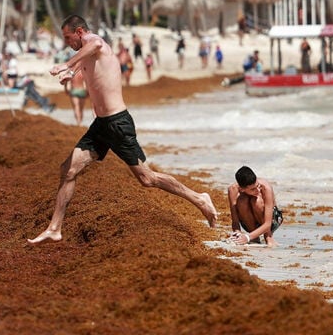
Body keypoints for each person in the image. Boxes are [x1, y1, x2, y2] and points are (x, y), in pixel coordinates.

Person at [28, 15, 218, 244]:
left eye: (68, 38)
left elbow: (95, 45)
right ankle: (54, 228)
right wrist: (72, 71)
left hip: (118, 123)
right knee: (68, 170)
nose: (67, 43)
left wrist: (66, 65)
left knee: (147, 178)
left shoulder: (95, 41)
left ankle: (199, 199)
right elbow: (87, 62)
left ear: (79, 32)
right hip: (101, 125)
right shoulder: (86, 53)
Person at [226, 166, 283, 245]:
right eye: (253, 189)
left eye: (257, 185)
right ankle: (255, 238)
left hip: (272, 220)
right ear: (242, 189)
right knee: (242, 200)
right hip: (249, 223)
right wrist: (237, 233)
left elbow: (268, 224)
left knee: (256, 201)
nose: (258, 190)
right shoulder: (233, 190)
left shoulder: (266, 187)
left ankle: (268, 236)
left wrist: (247, 237)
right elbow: (235, 221)